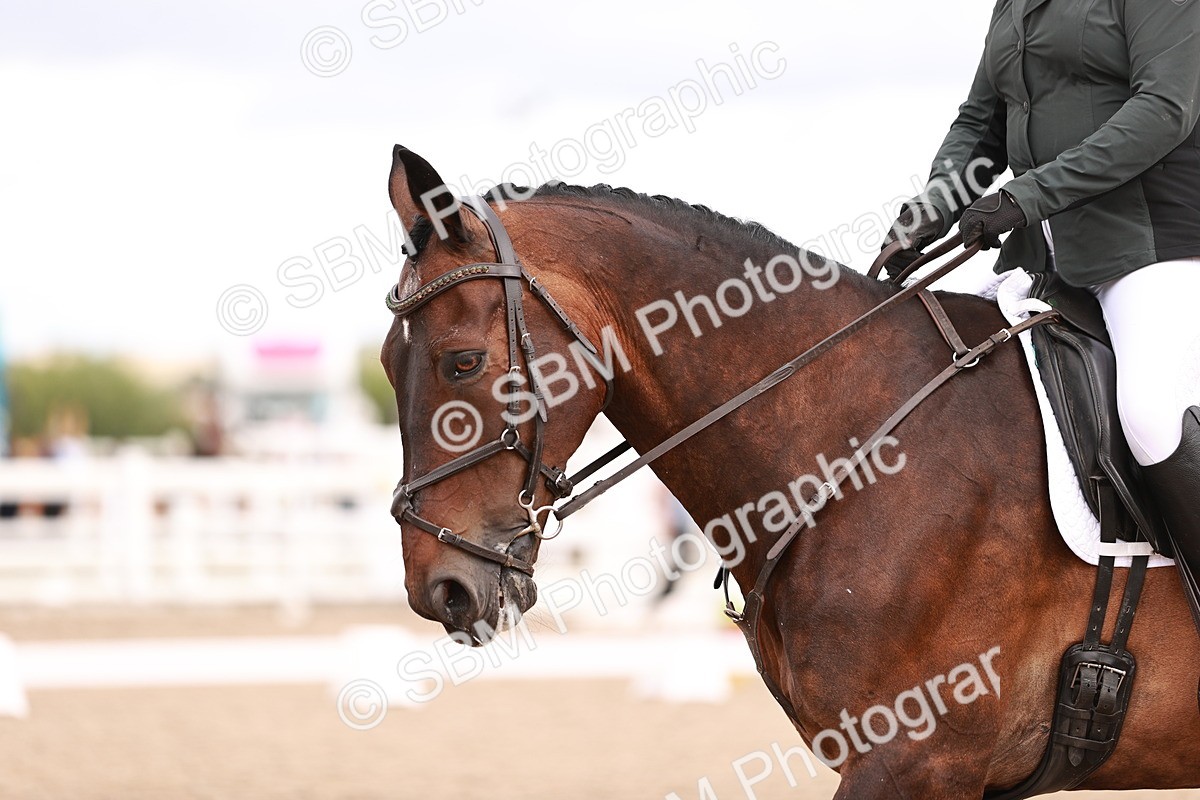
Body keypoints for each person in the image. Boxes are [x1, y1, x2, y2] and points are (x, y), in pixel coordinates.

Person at [881, 0, 1200, 624]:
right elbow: (981, 123)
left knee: (1151, 415)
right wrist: (932, 209)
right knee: (935, 365)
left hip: (1149, 246)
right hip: (1046, 257)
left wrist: (1026, 194)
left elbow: (1165, 109)